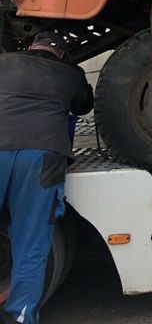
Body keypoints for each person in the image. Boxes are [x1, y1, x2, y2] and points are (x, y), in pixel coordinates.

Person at [0, 32, 92, 324]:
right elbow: (83, 106)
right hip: (42, 156)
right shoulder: (69, 73)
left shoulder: (3, 62)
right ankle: (20, 318)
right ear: (62, 55)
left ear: (29, 47)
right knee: (31, 243)